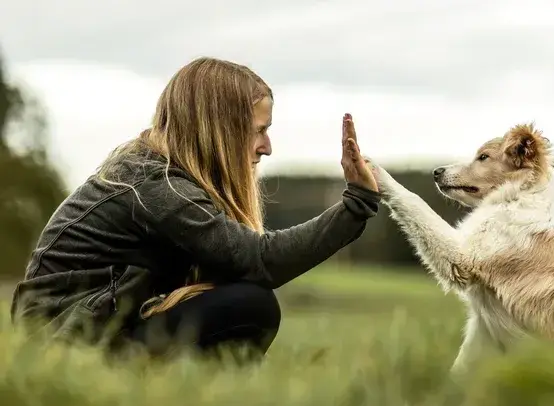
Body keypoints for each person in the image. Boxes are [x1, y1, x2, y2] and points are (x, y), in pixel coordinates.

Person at [10, 57, 380, 358]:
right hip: (63, 347)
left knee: (240, 299)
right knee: (249, 307)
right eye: (258, 130)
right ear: (219, 129)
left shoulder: (159, 174)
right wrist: (356, 206)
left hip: (86, 334)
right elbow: (259, 261)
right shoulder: (156, 185)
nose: (267, 147)